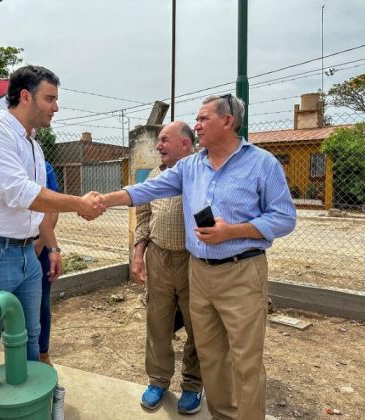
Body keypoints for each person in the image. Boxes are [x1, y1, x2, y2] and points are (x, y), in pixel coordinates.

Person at [97, 94, 296, 420]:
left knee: (245, 361)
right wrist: (105, 199)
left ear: (227, 122)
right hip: (199, 273)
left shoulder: (262, 164)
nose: (197, 125)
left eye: (203, 119)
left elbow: (284, 218)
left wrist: (232, 231)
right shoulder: (190, 166)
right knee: (211, 356)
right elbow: (148, 190)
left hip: (241, 271)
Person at [0, 65, 104, 420]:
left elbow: (38, 208)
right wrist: (79, 204)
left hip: (27, 254)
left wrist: (52, 245)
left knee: (29, 338)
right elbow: (21, 194)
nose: (55, 108)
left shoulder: (32, 144)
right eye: (50, 99)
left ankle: (30, 410)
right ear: (25, 96)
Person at [132, 121, 203, 414]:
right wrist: (138, 255)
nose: (158, 146)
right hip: (158, 259)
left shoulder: (201, 174)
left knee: (198, 326)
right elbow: (143, 218)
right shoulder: (154, 175)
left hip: (193, 261)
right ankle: (158, 380)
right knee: (157, 323)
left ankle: (193, 385)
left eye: (164, 140)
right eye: (158, 141)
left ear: (184, 144)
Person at [34, 161, 60, 366]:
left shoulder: (44, 166)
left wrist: (43, 242)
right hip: (12, 246)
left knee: (42, 301)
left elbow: (53, 208)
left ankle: (43, 354)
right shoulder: (3, 158)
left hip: (40, 246)